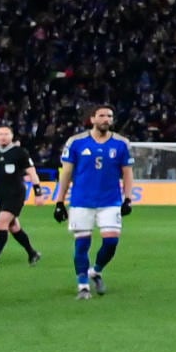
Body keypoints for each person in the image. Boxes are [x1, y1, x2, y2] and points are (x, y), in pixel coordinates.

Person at [56, 106, 134, 300]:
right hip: (81, 201)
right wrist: (59, 201)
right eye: (102, 116)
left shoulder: (121, 144)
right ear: (92, 119)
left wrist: (128, 198)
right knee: (82, 244)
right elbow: (66, 173)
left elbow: (127, 172)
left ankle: (96, 271)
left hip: (110, 201)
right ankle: (83, 285)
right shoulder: (76, 142)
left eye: (109, 116)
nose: (106, 119)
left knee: (111, 241)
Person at [0, 124, 43, 270]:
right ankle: (32, 253)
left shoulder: (20, 153)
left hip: (16, 193)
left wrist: (38, 192)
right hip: (1, 194)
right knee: (14, 227)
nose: (3, 136)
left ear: (12, 136)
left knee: (1, 224)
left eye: (6, 134)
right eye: (0, 134)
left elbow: (32, 173)